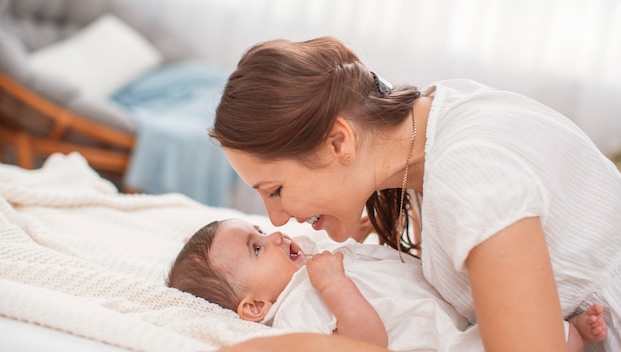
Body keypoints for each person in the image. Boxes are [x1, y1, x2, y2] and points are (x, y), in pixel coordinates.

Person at [208, 36, 621, 352]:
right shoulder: (434, 116)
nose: (276, 220)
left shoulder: (469, 173)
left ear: (339, 142)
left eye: (276, 190)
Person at [168, 218, 606, 352]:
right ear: (253, 308)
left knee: (526, 318)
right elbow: (366, 342)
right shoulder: (298, 310)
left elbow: (385, 274)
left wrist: (365, 240)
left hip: (455, 314)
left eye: (261, 231)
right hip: (441, 345)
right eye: (258, 249)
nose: (277, 236)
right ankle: (574, 338)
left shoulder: (310, 264)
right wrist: (335, 286)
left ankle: (569, 333)